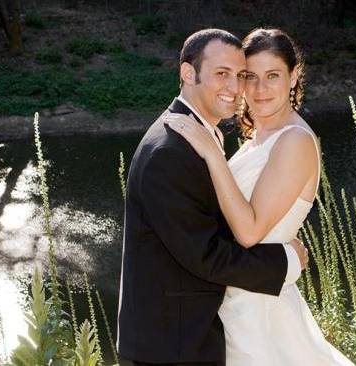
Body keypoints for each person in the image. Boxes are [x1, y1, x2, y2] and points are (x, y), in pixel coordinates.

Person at [116, 28, 309, 366]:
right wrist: (286, 261)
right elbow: (206, 255)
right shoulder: (170, 151)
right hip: (171, 347)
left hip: (199, 334)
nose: (235, 88)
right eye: (222, 74)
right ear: (188, 73)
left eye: (239, 75)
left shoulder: (198, 136)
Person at [166, 28, 355, 365]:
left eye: (273, 75)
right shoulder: (259, 137)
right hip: (236, 296)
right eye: (250, 76)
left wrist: (212, 154)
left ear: (294, 76)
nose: (259, 88)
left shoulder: (294, 141)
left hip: (257, 310)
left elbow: (250, 231)